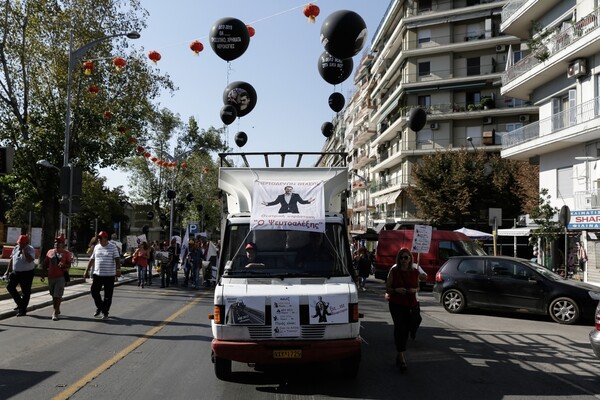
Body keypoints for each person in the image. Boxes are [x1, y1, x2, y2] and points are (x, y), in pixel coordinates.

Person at [385, 248, 422, 372]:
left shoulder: (415, 272)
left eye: (406, 257)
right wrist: (396, 290)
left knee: (406, 329)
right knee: (400, 327)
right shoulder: (394, 271)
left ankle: (400, 352)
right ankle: (401, 356)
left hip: (410, 303)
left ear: (410, 258)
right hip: (396, 303)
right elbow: (388, 288)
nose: (403, 260)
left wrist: (414, 290)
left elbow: (418, 287)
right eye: (401, 258)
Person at [84, 231, 121, 319]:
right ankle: (100, 307)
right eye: (98, 238)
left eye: (101, 238)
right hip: (98, 274)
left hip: (109, 275)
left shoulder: (113, 247)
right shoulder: (97, 247)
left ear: (105, 238)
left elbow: (117, 259)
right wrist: (86, 270)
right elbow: (92, 259)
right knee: (94, 292)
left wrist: (118, 270)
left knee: (108, 295)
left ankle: (105, 312)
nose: (99, 240)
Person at [3, 235, 36, 317]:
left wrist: (24, 250)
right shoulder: (16, 248)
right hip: (16, 272)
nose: (20, 245)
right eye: (19, 243)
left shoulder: (30, 249)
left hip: (27, 273)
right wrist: (7, 271)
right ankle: (20, 303)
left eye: (22, 244)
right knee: (10, 287)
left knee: (26, 291)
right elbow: (12, 259)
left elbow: (30, 260)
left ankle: (22, 310)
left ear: (26, 243)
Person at [41, 236, 72, 320]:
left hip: (60, 277)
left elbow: (69, 264)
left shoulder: (66, 253)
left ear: (62, 244)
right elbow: (45, 263)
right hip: (51, 277)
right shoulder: (50, 252)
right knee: (53, 294)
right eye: (55, 242)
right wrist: (43, 274)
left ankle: (54, 312)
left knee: (56, 295)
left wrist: (64, 265)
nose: (56, 244)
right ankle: (57, 308)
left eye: (59, 242)